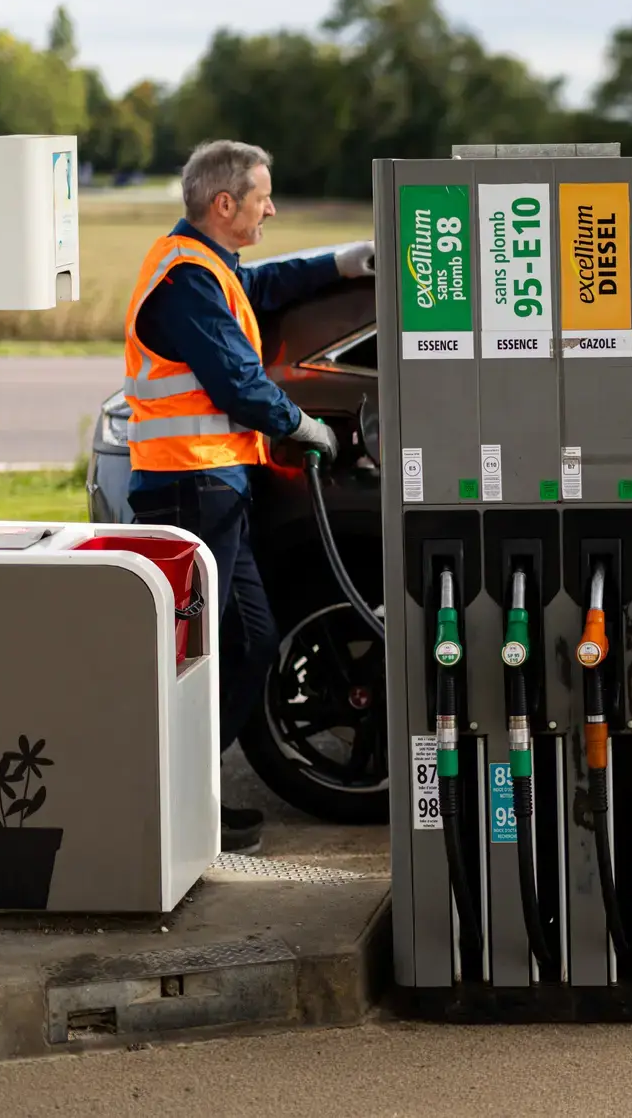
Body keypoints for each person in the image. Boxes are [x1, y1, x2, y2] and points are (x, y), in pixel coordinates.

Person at [123, 140, 376, 853]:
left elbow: (260, 288)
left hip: (210, 486)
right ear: (223, 203)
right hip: (188, 487)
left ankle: (187, 802)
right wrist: (304, 426)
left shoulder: (206, 269)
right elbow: (237, 380)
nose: (273, 206)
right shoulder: (184, 282)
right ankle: (169, 814)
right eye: (263, 195)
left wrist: (338, 263)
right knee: (202, 652)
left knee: (248, 640)